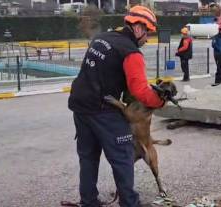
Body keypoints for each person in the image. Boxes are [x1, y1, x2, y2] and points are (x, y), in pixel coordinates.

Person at [68, 5, 165, 207]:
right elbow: (140, 91)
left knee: (88, 157)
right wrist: (159, 100)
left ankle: (89, 202)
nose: (147, 39)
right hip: (103, 110)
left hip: (80, 105)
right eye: (147, 33)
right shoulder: (131, 53)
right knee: (122, 158)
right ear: (138, 28)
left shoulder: (102, 38)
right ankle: (130, 203)